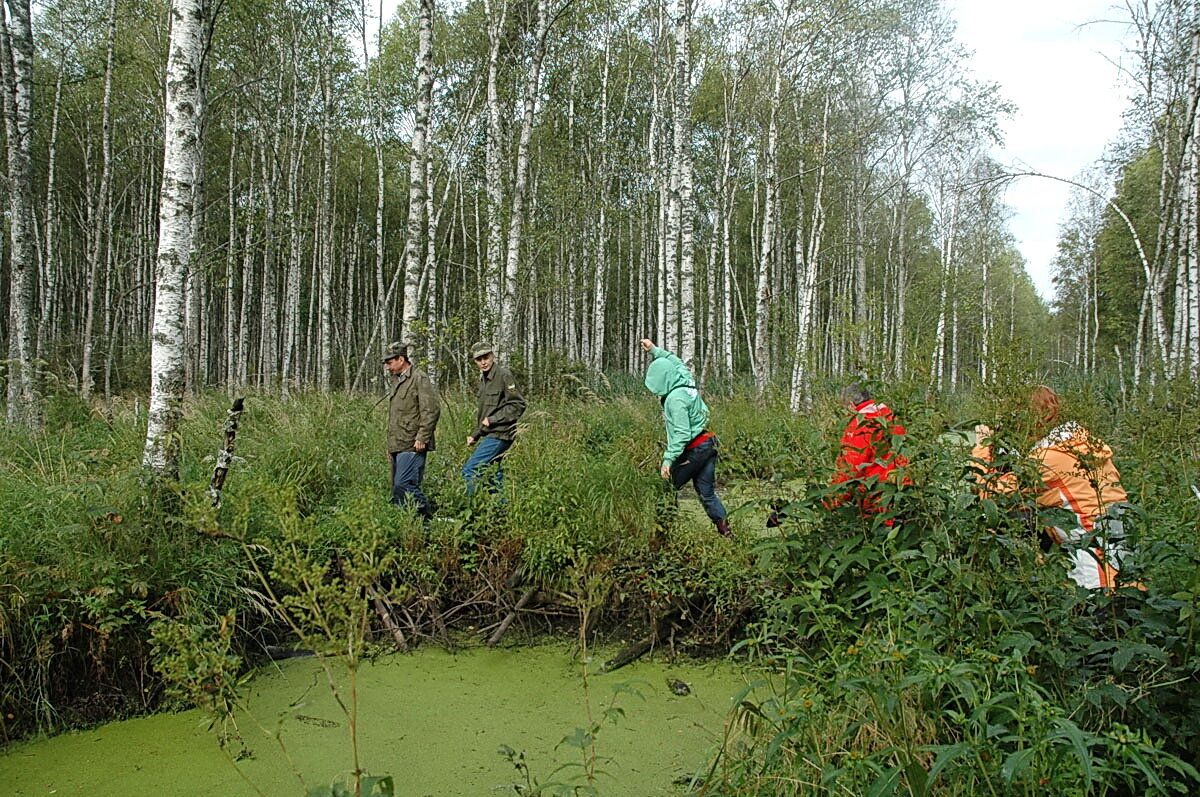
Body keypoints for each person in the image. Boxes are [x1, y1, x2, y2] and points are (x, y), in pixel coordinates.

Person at [973, 385, 1133, 591]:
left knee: (1096, 619)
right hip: (1123, 557)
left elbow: (991, 497)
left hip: (1096, 571)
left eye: (1016, 419)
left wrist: (983, 448)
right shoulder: (1080, 445)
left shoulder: (1046, 459)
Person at [640, 338, 731, 537]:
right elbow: (677, 361)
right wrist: (654, 350)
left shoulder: (675, 400)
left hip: (696, 448)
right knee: (707, 493)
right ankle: (727, 533)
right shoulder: (685, 379)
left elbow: (681, 433)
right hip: (709, 442)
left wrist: (668, 460)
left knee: (667, 489)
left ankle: (662, 537)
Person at [827, 383, 909, 519]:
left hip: (876, 500)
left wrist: (831, 501)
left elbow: (851, 467)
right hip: (901, 495)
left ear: (851, 405)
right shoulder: (890, 416)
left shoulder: (859, 424)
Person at [383, 341, 440, 519]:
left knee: (404, 484)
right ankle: (405, 523)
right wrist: (391, 447)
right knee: (396, 489)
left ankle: (426, 519)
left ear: (401, 359)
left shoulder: (419, 378)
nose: (387, 367)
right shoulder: (396, 380)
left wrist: (423, 437)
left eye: (389, 362)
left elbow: (431, 410)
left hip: (413, 443)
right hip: (398, 443)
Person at [462, 342, 526, 495]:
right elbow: (487, 413)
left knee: (470, 470)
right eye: (479, 359)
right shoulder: (485, 380)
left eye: (486, 357)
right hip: (492, 433)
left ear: (492, 355)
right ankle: (499, 512)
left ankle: (470, 510)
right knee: (493, 475)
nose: (483, 362)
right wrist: (475, 435)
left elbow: (518, 405)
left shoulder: (504, 375)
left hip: (501, 434)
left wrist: (494, 419)